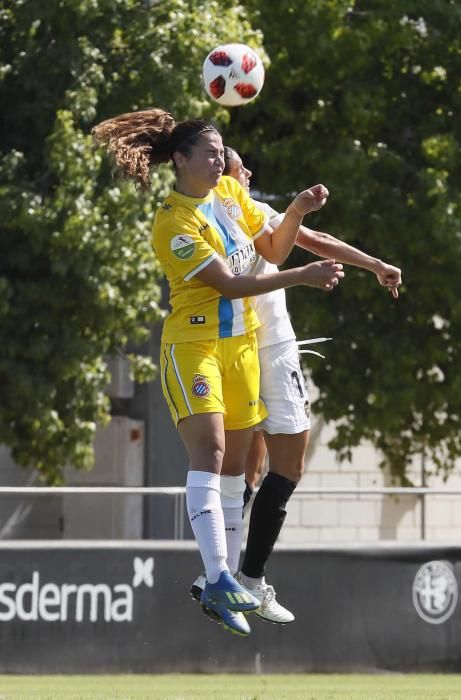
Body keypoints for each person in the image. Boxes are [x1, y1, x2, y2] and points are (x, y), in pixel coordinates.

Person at [91, 109, 344, 637]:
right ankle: (218, 575)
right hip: (195, 347)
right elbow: (229, 283)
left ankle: (222, 588)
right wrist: (303, 276)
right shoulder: (173, 220)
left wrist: (295, 207)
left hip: (242, 348)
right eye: (207, 153)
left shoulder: (228, 197)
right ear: (179, 160)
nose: (218, 160)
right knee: (210, 453)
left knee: (236, 474)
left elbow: (272, 247)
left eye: (220, 151)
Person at [192, 146, 402, 625]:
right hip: (267, 349)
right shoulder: (228, 216)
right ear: (222, 173)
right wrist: (361, 260)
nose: (248, 171)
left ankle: (216, 576)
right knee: (287, 468)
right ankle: (247, 580)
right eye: (240, 165)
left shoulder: (222, 214)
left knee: (247, 473)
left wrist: (372, 264)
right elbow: (305, 243)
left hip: (237, 352)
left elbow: (317, 239)